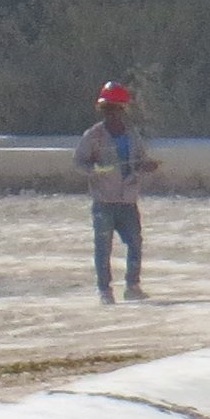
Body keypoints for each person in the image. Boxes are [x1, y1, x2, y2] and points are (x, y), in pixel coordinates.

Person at [76, 81, 162, 304]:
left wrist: (146, 166)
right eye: (108, 109)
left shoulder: (133, 135)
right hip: (104, 200)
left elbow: (140, 161)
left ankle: (132, 286)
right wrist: (95, 170)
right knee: (103, 246)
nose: (111, 114)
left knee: (135, 242)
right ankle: (105, 291)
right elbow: (80, 162)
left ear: (122, 110)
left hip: (127, 200)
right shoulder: (93, 136)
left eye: (115, 108)